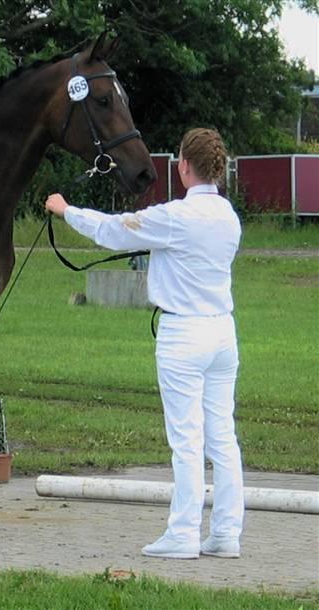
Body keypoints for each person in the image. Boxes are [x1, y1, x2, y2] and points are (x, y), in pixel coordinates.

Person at [45, 128, 244, 560]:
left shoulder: (176, 217)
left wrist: (66, 211)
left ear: (184, 166)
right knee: (222, 438)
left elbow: (116, 231)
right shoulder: (229, 216)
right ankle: (226, 533)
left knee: (187, 440)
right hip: (222, 332)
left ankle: (183, 534)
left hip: (184, 335)